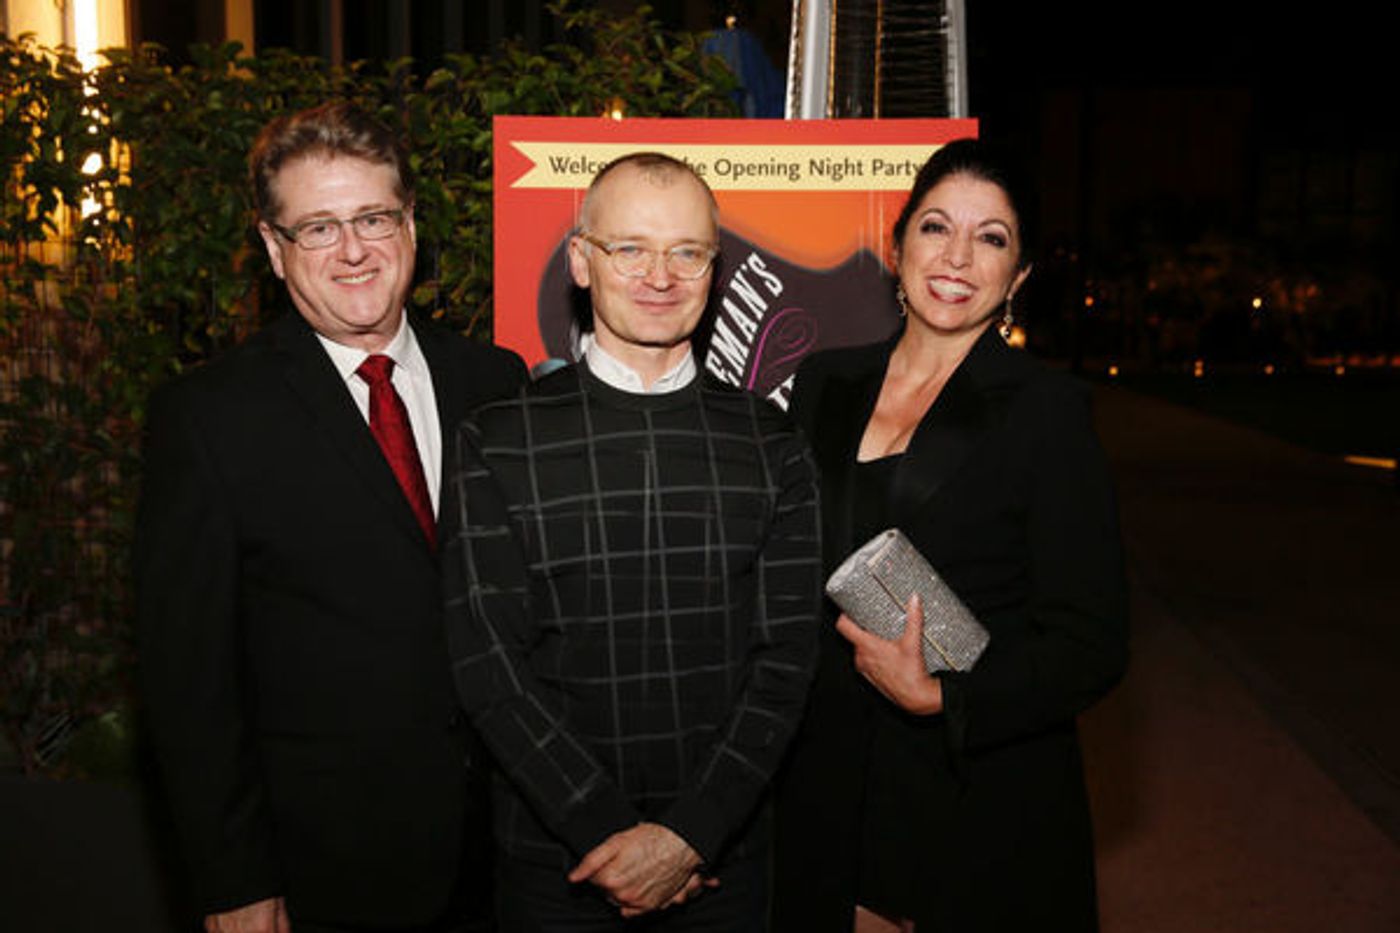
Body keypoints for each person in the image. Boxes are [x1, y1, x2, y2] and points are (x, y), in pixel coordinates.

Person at [136, 101, 526, 932]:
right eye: (317, 228)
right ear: (274, 250)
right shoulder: (207, 418)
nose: (353, 250)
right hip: (324, 869)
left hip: (511, 859)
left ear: (412, 225)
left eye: (374, 218)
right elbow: (187, 683)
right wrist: (234, 881)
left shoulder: (496, 384)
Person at [442, 152, 822, 931]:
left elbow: (786, 662)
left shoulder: (772, 442)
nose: (661, 275)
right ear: (582, 261)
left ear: (715, 270)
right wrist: (607, 834)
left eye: (687, 252)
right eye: (631, 249)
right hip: (560, 870)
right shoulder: (497, 439)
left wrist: (690, 835)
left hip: (723, 868)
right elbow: (488, 665)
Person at [771, 139, 1129, 931]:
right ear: (896, 248)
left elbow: (1092, 640)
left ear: (1020, 278)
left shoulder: (1047, 412)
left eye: (992, 237)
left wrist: (946, 695)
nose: (958, 255)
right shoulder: (827, 381)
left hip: (971, 789)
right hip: (826, 774)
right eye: (936, 227)